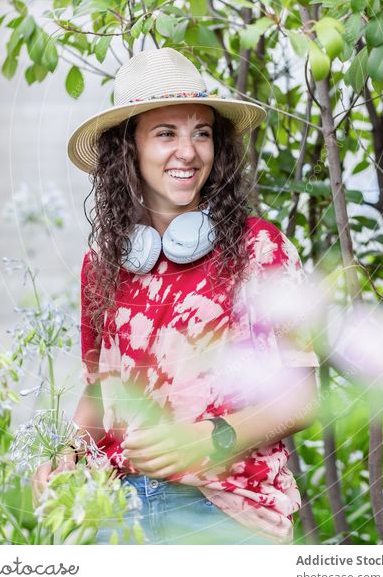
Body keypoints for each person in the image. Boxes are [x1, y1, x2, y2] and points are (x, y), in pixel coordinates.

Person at [33, 47, 319, 544]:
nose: (188, 152)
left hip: (226, 513)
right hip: (116, 508)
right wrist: (67, 451)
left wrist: (210, 438)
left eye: (201, 133)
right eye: (166, 133)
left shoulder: (260, 248)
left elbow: (301, 398)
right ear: (129, 149)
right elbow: (103, 392)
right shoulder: (102, 263)